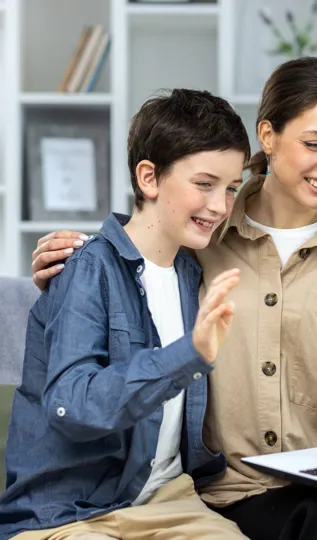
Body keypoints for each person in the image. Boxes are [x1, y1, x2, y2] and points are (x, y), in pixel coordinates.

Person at [31, 57, 317, 540]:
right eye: (314, 144)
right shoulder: (203, 237)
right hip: (244, 488)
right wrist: (78, 259)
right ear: (267, 136)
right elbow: (151, 227)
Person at [0, 89, 252, 540]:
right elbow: (71, 404)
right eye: (204, 184)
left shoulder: (194, 274)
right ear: (149, 178)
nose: (220, 206)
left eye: (231, 188)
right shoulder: (86, 268)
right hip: (68, 513)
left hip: (167, 501)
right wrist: (188, 353)